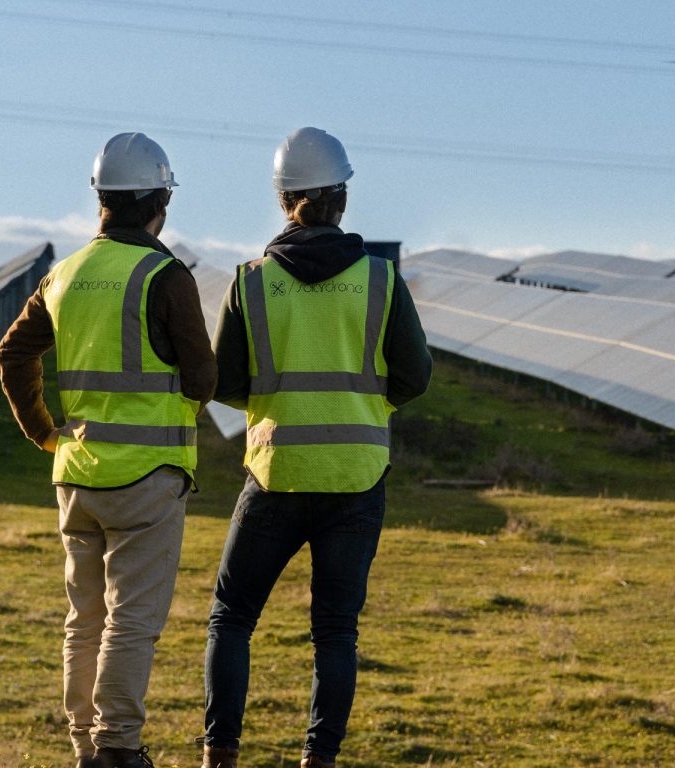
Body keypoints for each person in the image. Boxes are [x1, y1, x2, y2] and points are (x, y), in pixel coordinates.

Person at [199, 127, 432, 768]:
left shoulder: (249, 284)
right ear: (342, 199)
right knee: (335, 630)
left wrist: (276, 407)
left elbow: (225, 383)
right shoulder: (382, 281)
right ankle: (318, 758)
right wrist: (365, 406)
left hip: (274, 474)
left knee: (232, 619)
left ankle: (219, 755)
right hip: (356, 478)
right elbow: (414, 377)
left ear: (283, 199)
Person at [0, 132, 215, 768]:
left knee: (83, 620)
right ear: (157, 202)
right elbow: (202, 379)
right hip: (147, 480)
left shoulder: (62, 275)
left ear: (102, 200)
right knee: (131, 621)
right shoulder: (164, 275)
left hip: (77, 475)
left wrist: (44, 432)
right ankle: (117, 749)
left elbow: (12, 354)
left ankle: (84, 747)